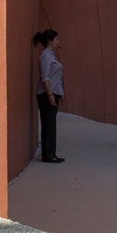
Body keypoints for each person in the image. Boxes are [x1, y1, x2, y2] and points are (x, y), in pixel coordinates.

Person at [33, 30, 65, 163]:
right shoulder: (46, 56)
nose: (58, 42)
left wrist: (59, 93)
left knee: (50, 124)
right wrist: (50, 94)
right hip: (47, 94)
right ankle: (48, 154)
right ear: (50, 41)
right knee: (49, 124)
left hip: (53, 93)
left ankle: (50, 153)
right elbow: (45, 77)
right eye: (56, 39)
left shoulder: (51, 55)